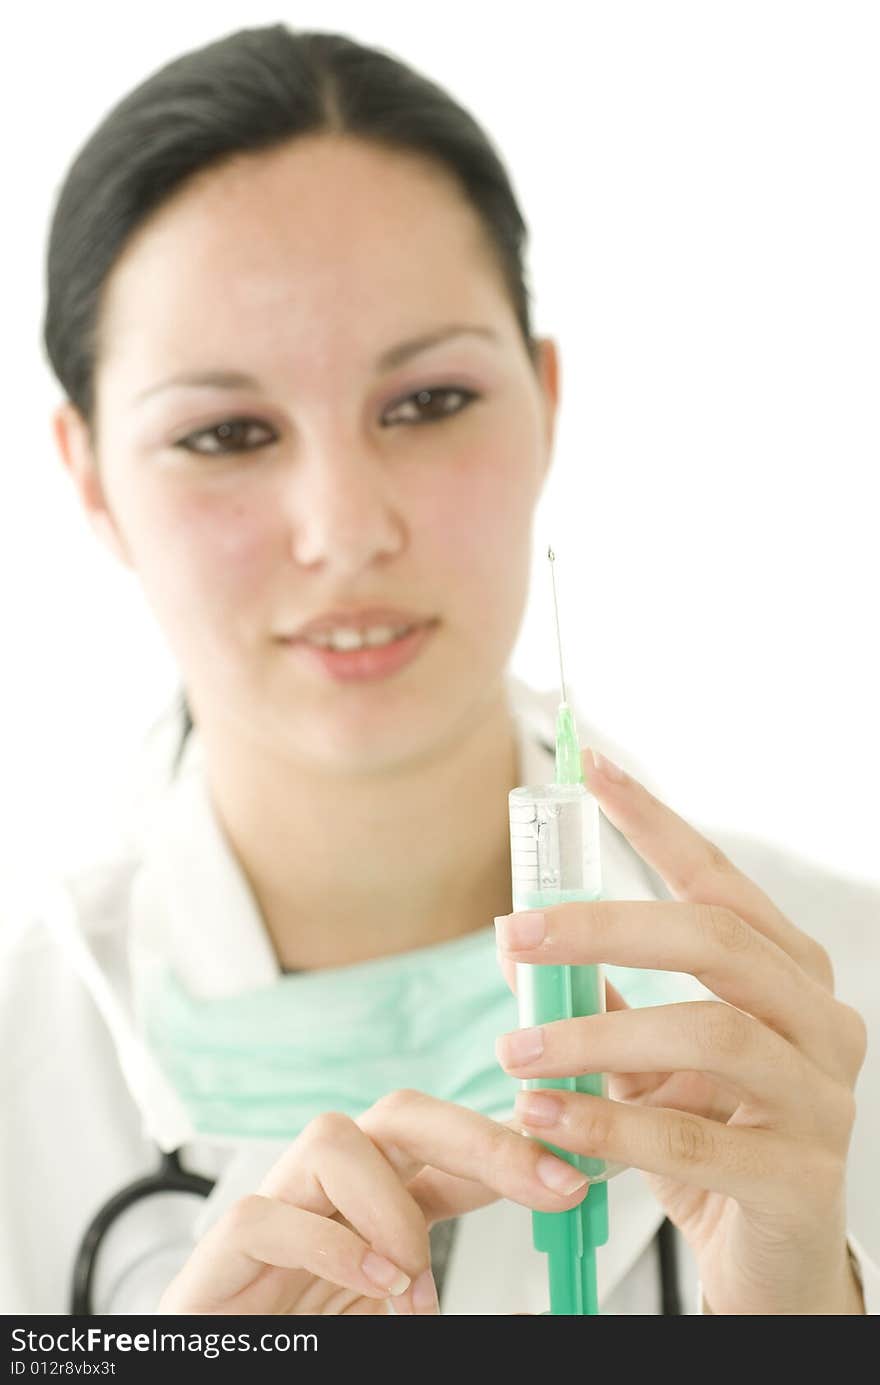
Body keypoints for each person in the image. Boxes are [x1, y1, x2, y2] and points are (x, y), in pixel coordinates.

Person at [3, 23, 876, 1316]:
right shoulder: (27, 1067)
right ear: (89, 477)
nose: (348, 527)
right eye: (228, 431)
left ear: (544, 399)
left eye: (427, 403)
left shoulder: (839, 988)